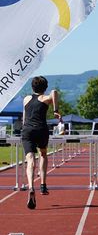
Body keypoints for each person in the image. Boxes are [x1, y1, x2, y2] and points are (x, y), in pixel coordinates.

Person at [21, 76, 60, 209]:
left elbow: (24, 117)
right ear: (45, 88)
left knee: (30, 159)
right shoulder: (44, 98)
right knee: (43, 154)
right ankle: (43, 185)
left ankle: (31, 186)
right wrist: (55, 110)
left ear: (33, 87)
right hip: (41, 129)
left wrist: (24, 129)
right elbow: (54, 92)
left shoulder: (26, 99)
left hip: (27, 130)